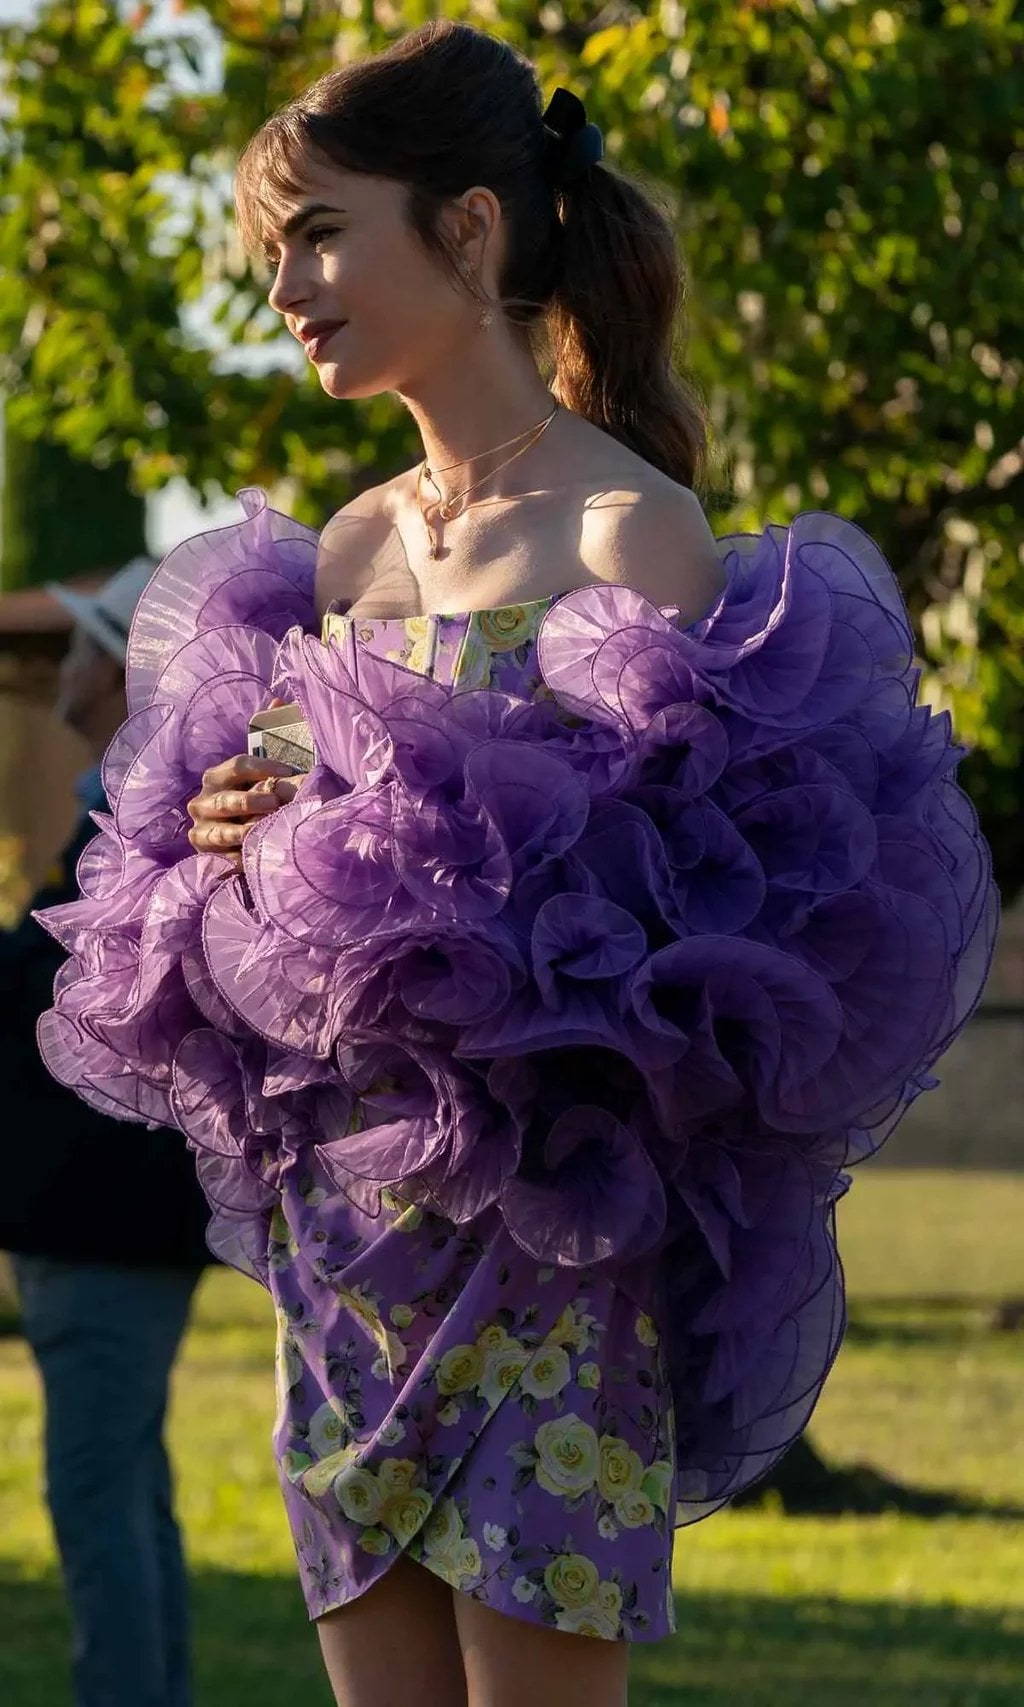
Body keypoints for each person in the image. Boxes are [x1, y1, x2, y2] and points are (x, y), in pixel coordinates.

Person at [34, 21, 996, 1707]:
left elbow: (732, 933)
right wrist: (220, 836)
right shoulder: (334, 552)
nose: (285, 289)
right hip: (342, 1248)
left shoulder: (634, 540)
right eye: (275, 250)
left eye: (321, 232)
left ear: (467, 230)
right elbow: (252, 839)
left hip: (545, 1248)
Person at [1, 557, 211, 1707]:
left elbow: (54, 992)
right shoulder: (121, 806)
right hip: (109, 1222)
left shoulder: (127, 821)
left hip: (102, 1221)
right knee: (126, 1485)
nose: (65, 666)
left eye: (85, 643)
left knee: (95, 1491)